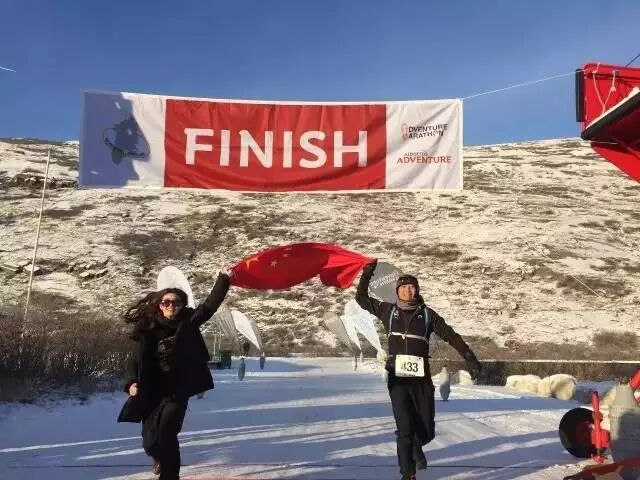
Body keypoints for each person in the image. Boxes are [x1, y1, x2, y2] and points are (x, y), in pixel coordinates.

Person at [356, 260, 481, 480]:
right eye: (404, 287)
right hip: (398, 378)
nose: (408, 290)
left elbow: (451, 336)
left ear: (418, 290)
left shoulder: (428, 315)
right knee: (405, 428)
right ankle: (408, 473)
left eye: (412, 287)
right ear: (397, 290)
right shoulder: (387, 310)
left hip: (421, 378)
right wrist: (367, 274)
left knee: (427, 430)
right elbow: (362, 299)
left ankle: (417, 445)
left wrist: (470, 359)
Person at [119, 268, 232, 480]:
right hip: (151, 389)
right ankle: (159, 458)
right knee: (150, 441)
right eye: (166, 302)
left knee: (167, 432)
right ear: (159, 305)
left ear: (182, 305)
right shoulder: (148, 330)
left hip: (178, 389)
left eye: (176, 302)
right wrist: (130, 383)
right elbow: (135, 360)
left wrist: (224, 279)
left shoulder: (188, 323)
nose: (171, 306)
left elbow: (209, 306)